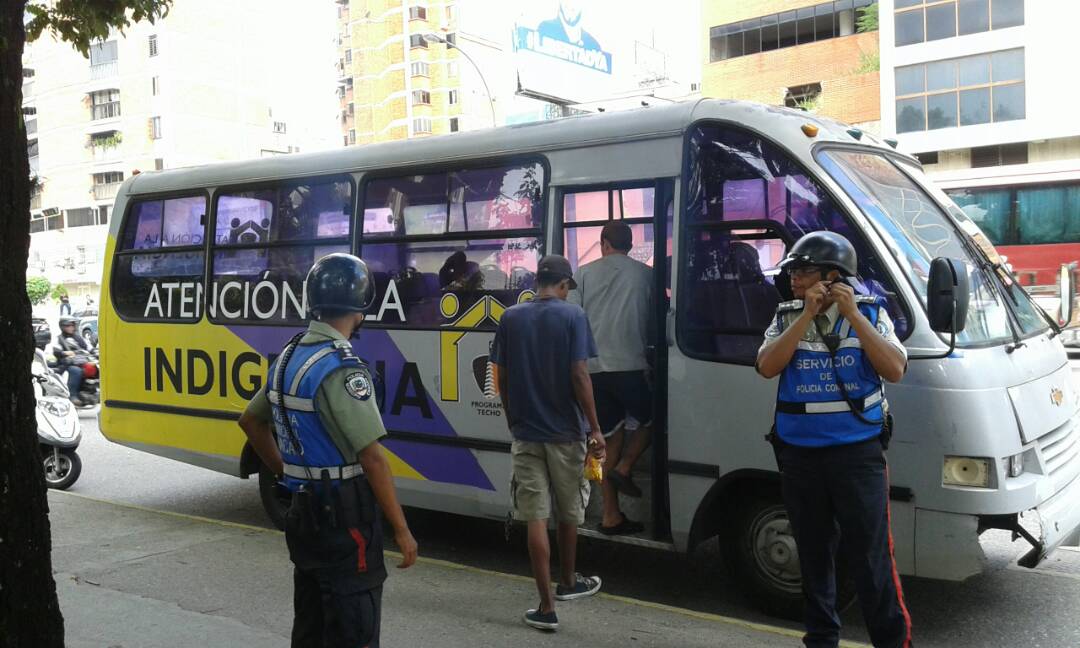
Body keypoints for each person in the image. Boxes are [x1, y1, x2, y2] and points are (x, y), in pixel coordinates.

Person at [238, 253, 418, 648]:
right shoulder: (342, 368)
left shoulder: (288, 357)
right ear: (361, 307)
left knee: (311, 627)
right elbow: (372, 458)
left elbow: (249, 422)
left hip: (302, 515)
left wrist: (287, 471)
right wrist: (402, 530)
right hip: (344, 519)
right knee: (354, 630)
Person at [756, 232, 912, 648]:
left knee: (871, 558)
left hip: (856, 456)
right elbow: (767, 366)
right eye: (792, 271)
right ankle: (821, 640)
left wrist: (854, 316)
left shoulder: (871, 314)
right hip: (801, 457)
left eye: (803, 271)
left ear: (833, 276)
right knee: (812, 555)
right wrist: (806, 315)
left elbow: (895, 368)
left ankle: (891, 642)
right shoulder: (787, 316)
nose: (793, 279)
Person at [491, 254, 606, 632]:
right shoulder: (573, 316)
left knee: (535, 516)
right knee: (569, 509)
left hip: (526, 434)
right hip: (566, 434)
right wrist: (595, 428)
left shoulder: (511, 318)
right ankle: (569, 582)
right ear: (563, 285)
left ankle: (545, 607)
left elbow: (501, 376)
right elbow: (579, 374)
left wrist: (513, 419)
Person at [568, 222, 654, 535]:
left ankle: (611, 515)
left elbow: (573, 319)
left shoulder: (583, 274)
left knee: (609, 437)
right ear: (630, 244)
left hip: (592, 371)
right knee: (653, 419)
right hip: (630, 366)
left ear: (604, 242)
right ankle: (625, 467)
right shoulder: (646, 275)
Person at [55, 316, 89, 405]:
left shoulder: (77, 337)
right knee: (76, 371)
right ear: (62, 327)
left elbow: (87, 347)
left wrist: (95, 351)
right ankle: (73, 395)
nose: (71, 327)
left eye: (72, 325)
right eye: (68, 326)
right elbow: (56, 351)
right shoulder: (59, 338)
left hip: (81, 361)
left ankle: (90, 391)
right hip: (67, 364)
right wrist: (66, 353)